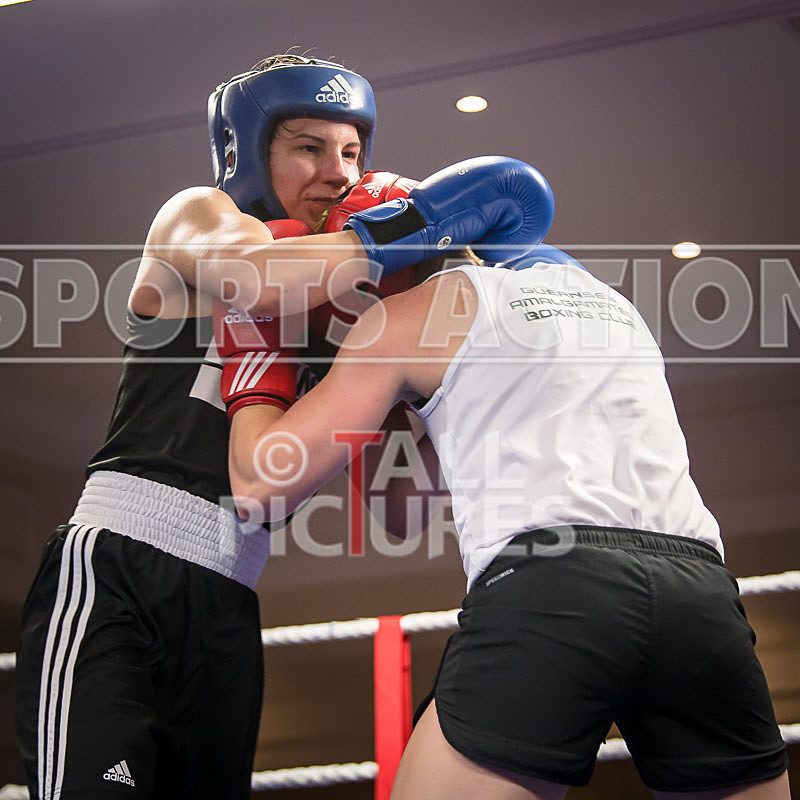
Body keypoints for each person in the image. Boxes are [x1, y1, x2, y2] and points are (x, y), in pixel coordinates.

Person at [14, 49, 555, 799]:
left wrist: (419, 378)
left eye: (352, 152)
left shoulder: (356, 310)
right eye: (308, 147)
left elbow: (402, 513)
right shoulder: (200, 215)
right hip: (117, 572)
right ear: (245, 151)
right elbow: (249, 278)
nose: (337, 172)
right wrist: (408, 235)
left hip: (230, 603)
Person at [224, 245, 790, 799]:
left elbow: (258, 486)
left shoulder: (403, 315)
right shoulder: (606, 300)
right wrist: (380, 399)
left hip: (556, 587)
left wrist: (260, 359)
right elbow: (402, 506)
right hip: (701, 596)